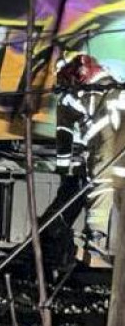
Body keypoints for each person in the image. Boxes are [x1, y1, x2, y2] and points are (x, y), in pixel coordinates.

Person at [56, 52, 124, 264]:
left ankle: (95, 237)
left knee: (101, 184)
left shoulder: (69, 98)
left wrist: (63, 169)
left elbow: (64, 134)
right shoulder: (115, 87)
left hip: (105, 145)